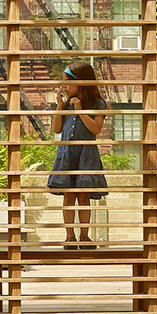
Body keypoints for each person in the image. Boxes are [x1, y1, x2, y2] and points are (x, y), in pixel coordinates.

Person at [47, 61, 108, 249]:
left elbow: (95, 129)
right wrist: (59, 105)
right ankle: (69, 236)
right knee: (68, 196)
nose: (64, 86)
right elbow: (57, 129)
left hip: (86, 154)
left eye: (67, 82)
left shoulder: (98, 104)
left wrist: (80, 110)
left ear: (81, 82)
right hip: (67, 154)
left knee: (83, 196)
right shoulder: (65, 105)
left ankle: (84, 236)